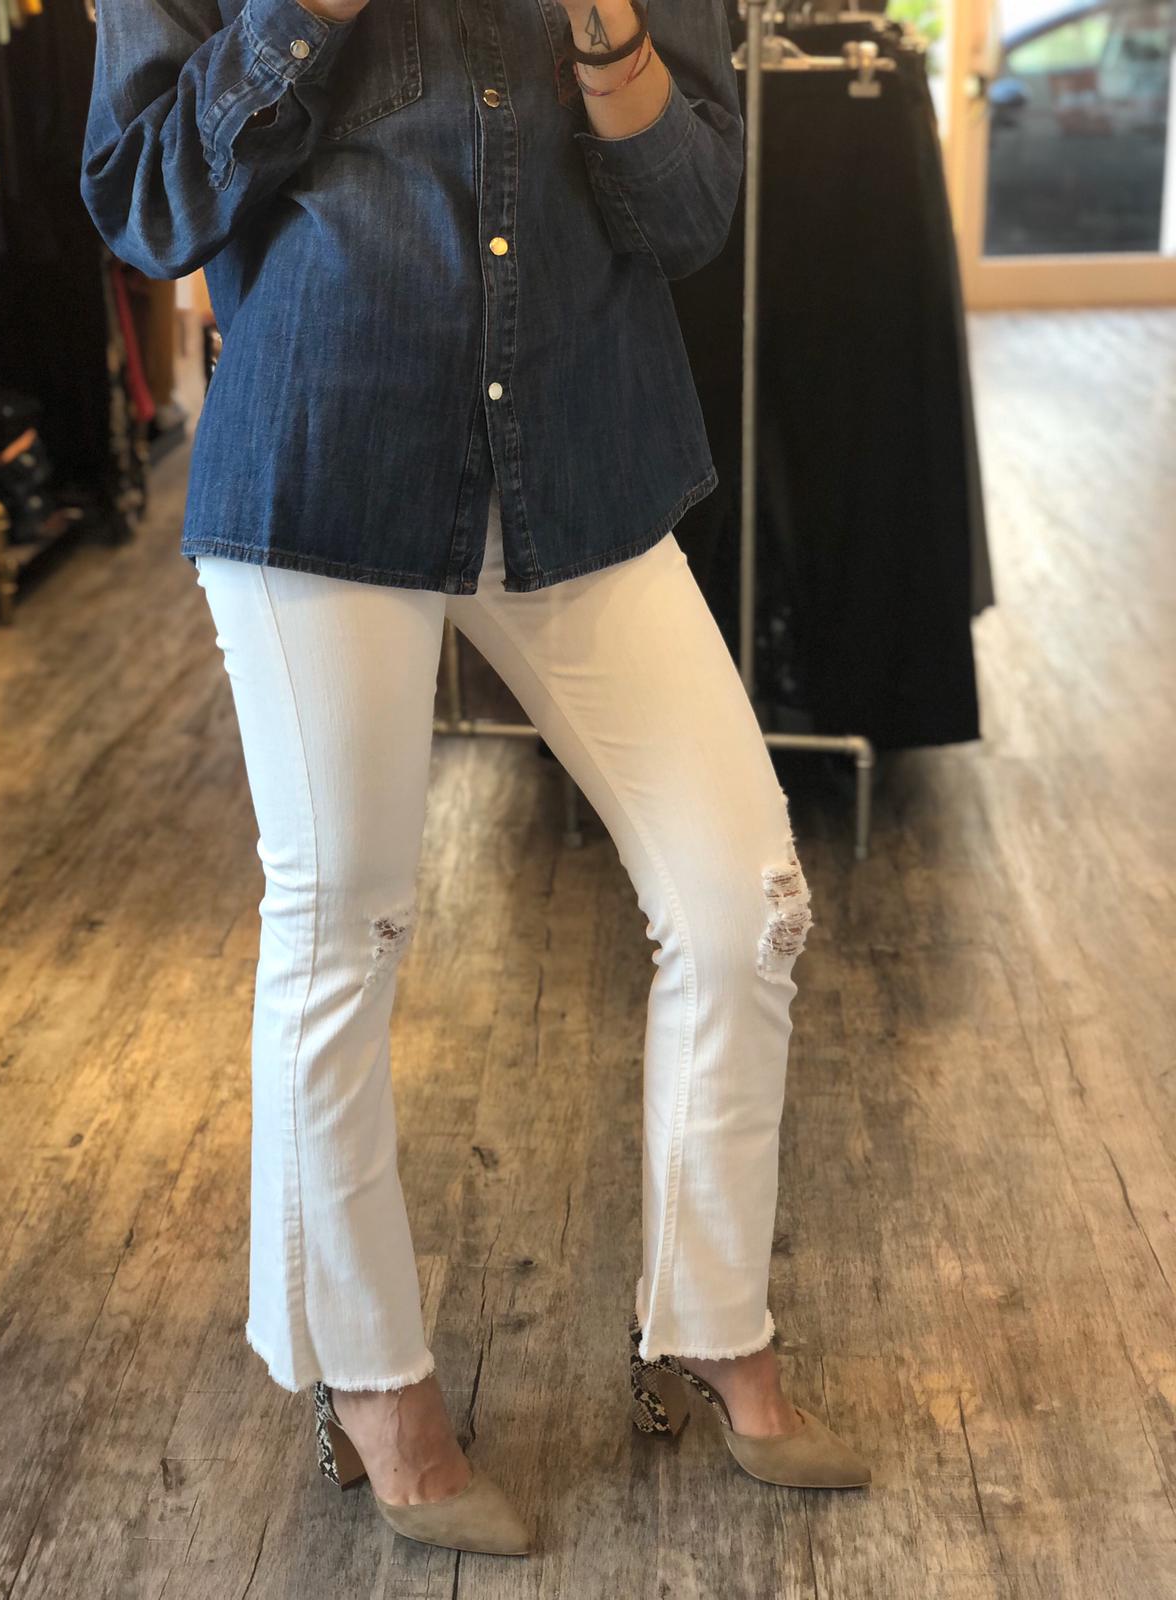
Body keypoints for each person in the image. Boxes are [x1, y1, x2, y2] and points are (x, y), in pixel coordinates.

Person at [81, 0, 871, 1558]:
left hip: (582, 452)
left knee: (745, 901)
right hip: (325, 453)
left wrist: (606, 25)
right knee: (345, 927)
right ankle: (375, 1386)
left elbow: (691, 215)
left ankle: (710, 1324)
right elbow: (147, 203)